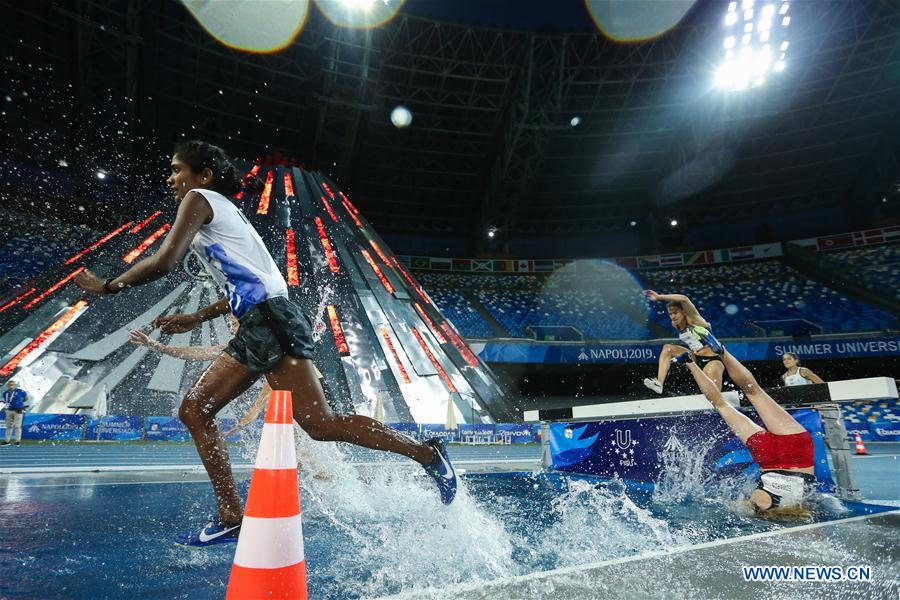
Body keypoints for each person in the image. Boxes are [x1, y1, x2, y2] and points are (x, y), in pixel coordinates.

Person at [75, 140, 457, 547]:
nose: (171, 178)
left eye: (176, 169)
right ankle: (426, 455)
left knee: (217, 412)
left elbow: (165, 260)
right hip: (268, 318)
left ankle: (233, 515)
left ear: (203, 175)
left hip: (269, 320)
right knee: (306, 423)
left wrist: (109, 286)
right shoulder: (225, 212)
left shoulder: (199, 199)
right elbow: (255, 284)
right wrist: (197, 317)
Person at [680, 344, 816, 519]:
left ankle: (722, 352)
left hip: (795, 450)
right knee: (721, 404)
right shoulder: (758, 503)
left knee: (754, 392)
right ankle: (690, 363)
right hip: (767, 457)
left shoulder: (800, 508)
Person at [642, 290, 726, 395]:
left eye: (675, 313)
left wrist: (659, 297)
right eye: (670, 314)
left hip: (712, 360)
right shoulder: (676, 324)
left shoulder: (695, 319)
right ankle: (659, 384)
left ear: (684, 312)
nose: (673, 316)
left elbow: (684, 298)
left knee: (713, 394)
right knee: (667, 348)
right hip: (695, 357)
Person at [1, 380, 28, 446]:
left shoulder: (20, 391)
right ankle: (7, 441)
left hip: (18, 410)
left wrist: (19, 404)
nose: (11, 386)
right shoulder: (5, 393)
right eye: (10, 385)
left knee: (17, 426)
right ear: (7, 386)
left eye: (12, 384)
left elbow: (26, 398)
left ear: (15, 385)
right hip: (9, 410)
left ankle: (17, 441)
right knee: (8, 426)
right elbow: (7, 401)